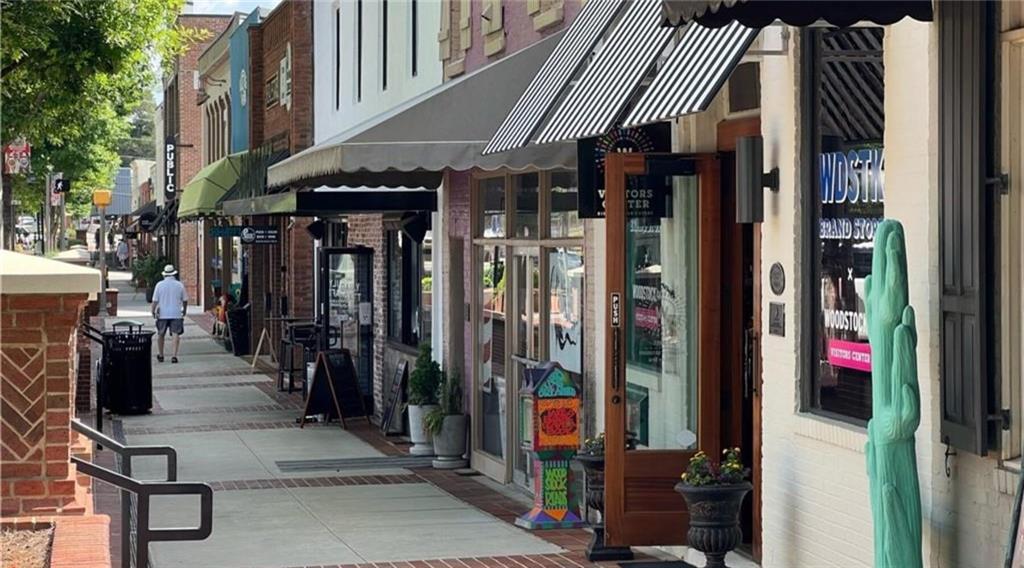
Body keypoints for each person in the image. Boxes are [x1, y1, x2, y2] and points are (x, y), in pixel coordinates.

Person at [151, 264, 188, 363]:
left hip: (162, 313)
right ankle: (174, 356)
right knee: (176, 334)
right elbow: (185, 300)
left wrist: (153, 311)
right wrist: (184, 310)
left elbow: (154, 301)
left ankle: (161, 354)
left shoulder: (159, 285)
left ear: (164, 275)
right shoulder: (180, 285)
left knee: (161, 334)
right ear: (174, 274)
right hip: (176, 313)